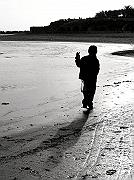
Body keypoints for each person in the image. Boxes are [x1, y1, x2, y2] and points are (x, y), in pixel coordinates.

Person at [75, 45, 100, 110]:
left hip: (86, 78)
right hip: (90, 79)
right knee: (90, 92)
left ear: (88, 51)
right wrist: (77, 58)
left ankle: (87, 103)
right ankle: (88, 103)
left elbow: (79, 64)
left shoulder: (85, 58)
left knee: (86, 91)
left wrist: (77, 58)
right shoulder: (95, 60)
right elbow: (97, 71)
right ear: (96, 52)